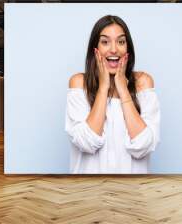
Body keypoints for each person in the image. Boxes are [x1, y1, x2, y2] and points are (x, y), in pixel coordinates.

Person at [65, 15, 160, 174]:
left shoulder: (143, 82)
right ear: (95, 50)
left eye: (121, 42)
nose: (114, 49)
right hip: (87, 192)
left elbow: (143, 145)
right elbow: (87, 143)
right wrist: (103, 88)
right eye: (105, 42)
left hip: (132, 193)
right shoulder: (79, 83)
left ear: (127, 49)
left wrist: (123, 90)